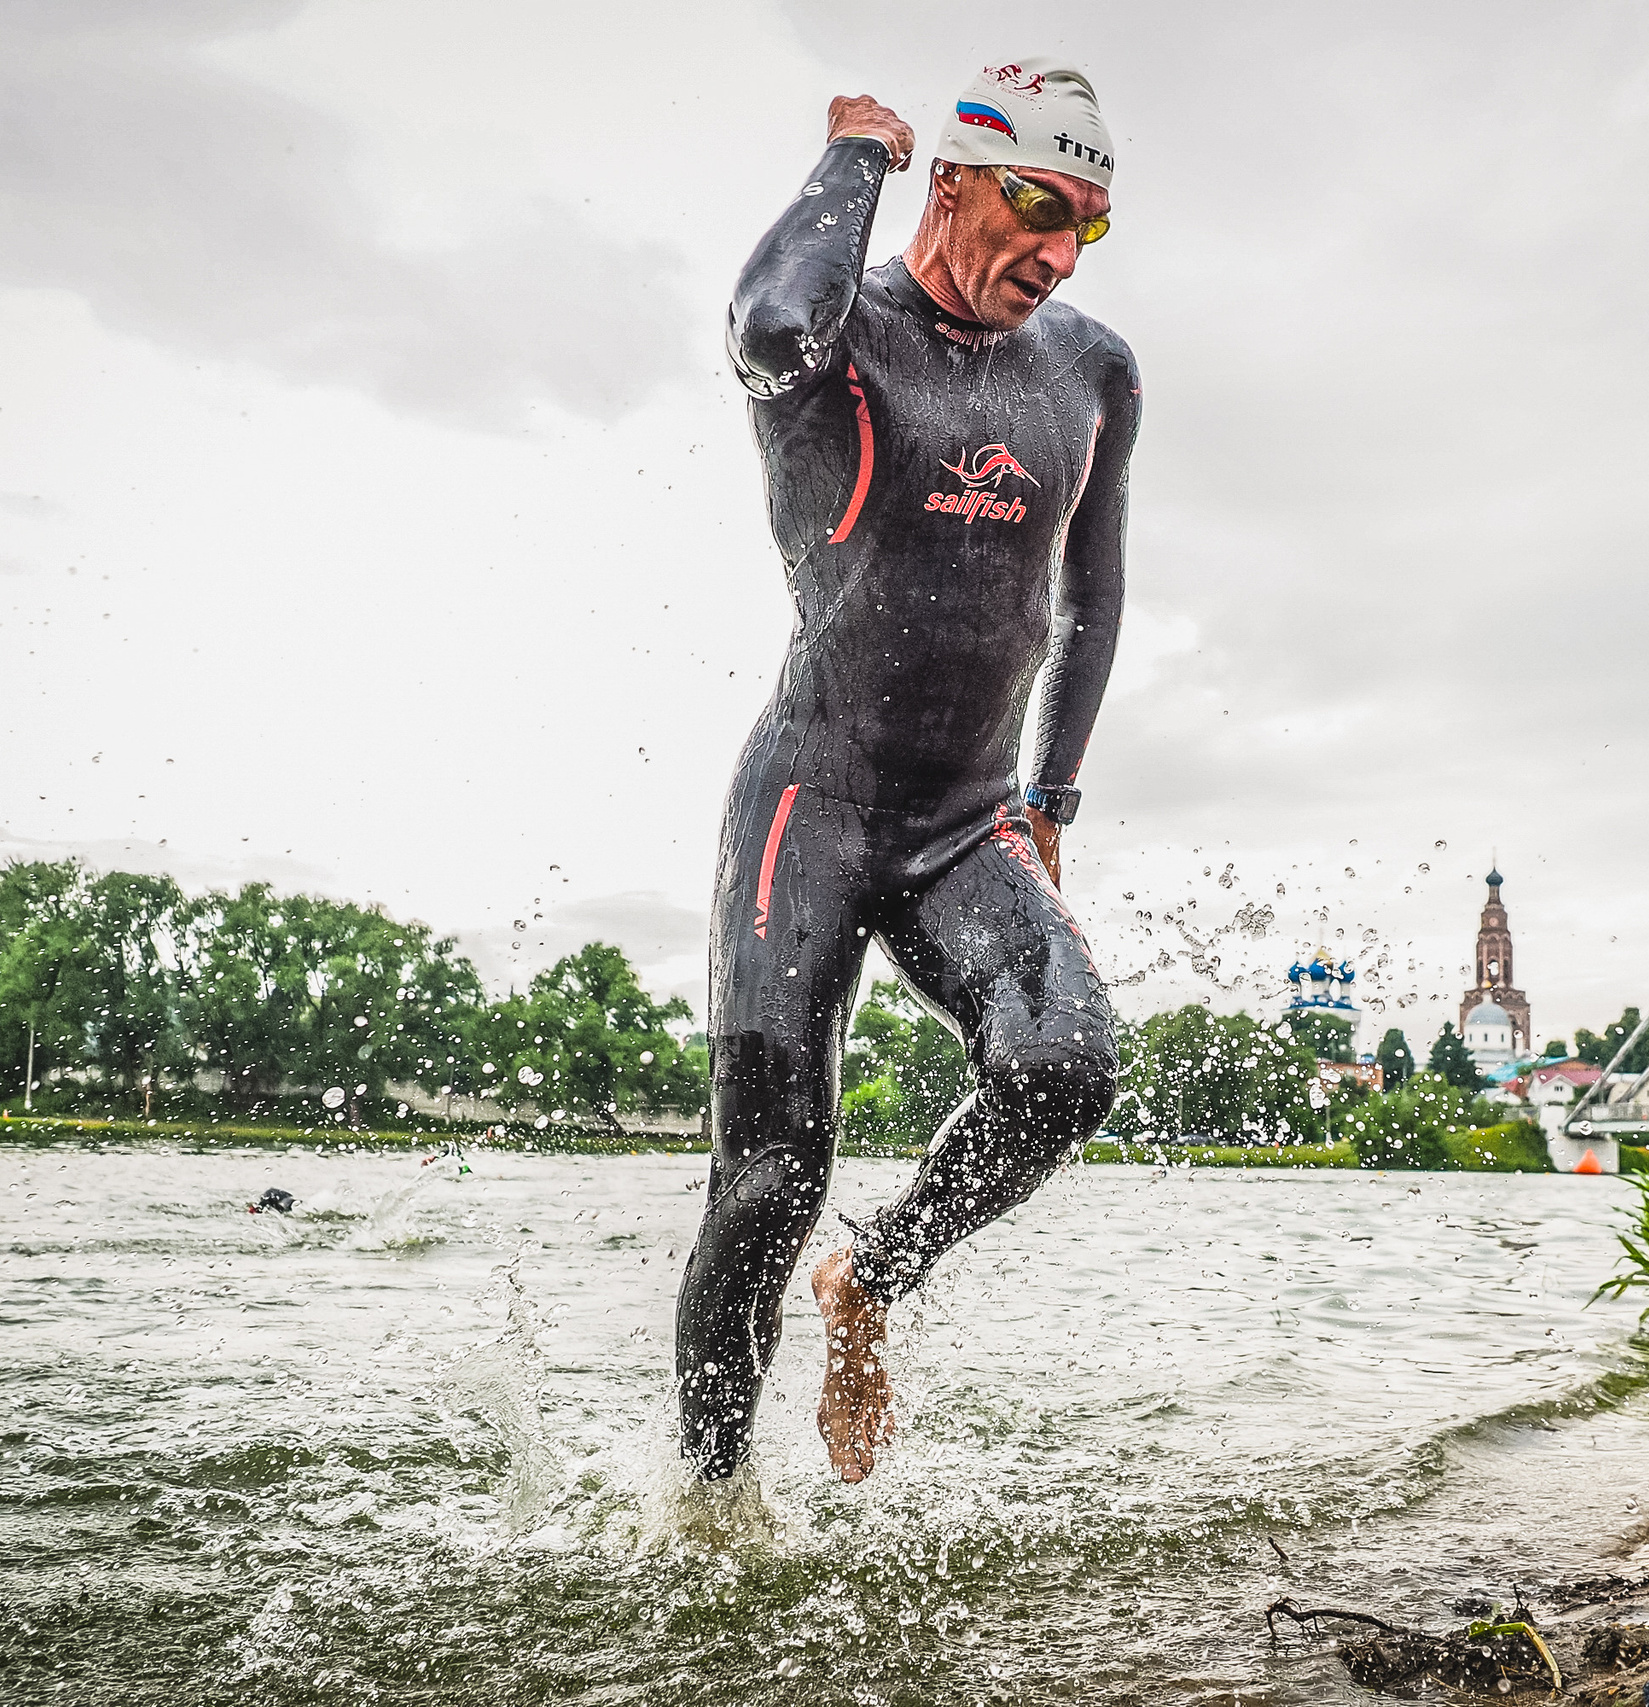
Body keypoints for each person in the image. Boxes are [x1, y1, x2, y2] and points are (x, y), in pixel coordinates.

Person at [675, 57, 1139, 1485]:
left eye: (1088, 228)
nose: (1056, 255)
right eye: (1034, 207)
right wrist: (855, 156)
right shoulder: (842, 334)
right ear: (952, 180)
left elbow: (1093, 591)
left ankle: (871, 1281)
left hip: (961, 820)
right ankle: (708, 1506)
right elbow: (765, 319)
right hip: (809, 803)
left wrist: (1049, 800)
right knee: (770, 1172)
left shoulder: (1090, 368)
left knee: (1065, 1068)